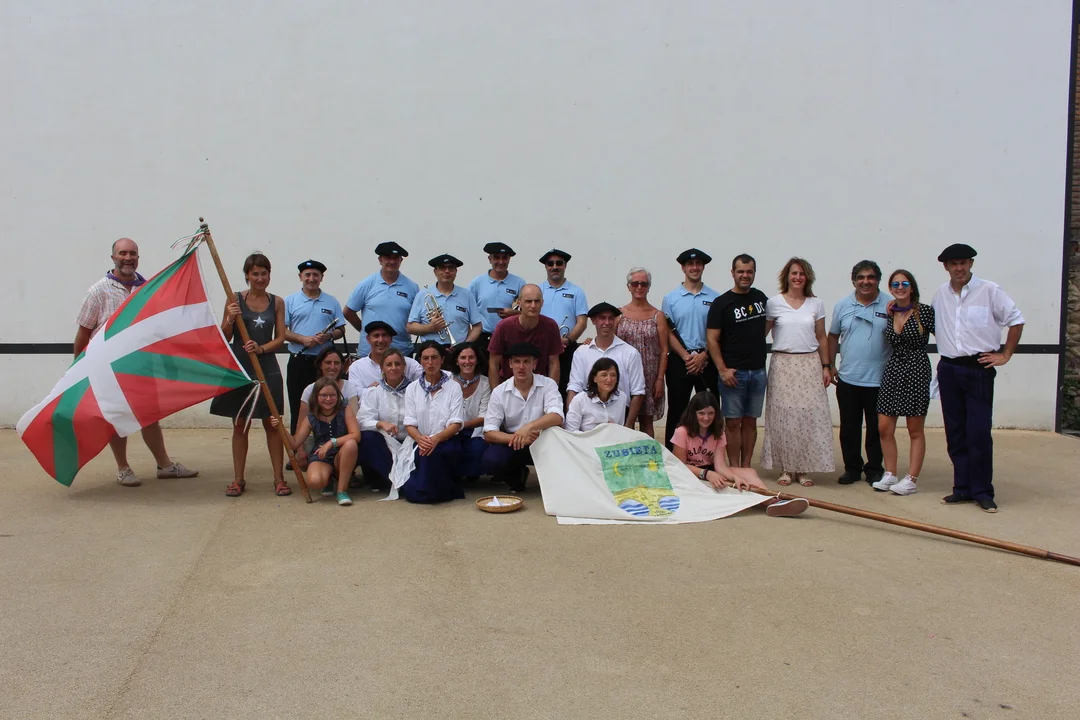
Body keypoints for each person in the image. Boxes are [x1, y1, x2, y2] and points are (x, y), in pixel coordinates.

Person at [73, 237, 198, 486]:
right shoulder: (98, 291)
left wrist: (169, 364)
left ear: (138, 258)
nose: (127, 258)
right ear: (113, 257)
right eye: (122, 253)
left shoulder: (147, 290)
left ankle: (165, 466)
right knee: (116, 417)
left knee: (149, 415)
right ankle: (123, 468)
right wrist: (78, 370)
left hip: (142, 367)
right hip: (109, 370)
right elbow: (83, 333)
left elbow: (157, 331)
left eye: (132, 253)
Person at [931, 244, 1024, 513]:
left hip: (978, 369)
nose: (959, 268)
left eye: (963, 262)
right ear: (946, 267)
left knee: (979, 432)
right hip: (949, 369)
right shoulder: (941, 294)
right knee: (955, 432)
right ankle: (962, 487)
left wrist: (1005, 354)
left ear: (971, 263)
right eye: (954, 264)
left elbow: (1016, 319)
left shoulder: (989, 290)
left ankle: (982, 491)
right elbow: (939, 325)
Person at [209, 253, 290, 498]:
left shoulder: (277, 302)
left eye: (264, 273)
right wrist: (229, 318)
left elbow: (280, 337)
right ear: (247, 275)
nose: (260, 278)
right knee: (240, 424)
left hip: (267, 367)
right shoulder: (234, 299)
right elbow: (224, 336)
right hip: (240, 368)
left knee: (272, 423)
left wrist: (261, 348)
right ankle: (238, 479)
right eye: (255, 274)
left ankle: (279, 479)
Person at [670, 392, 808, 517]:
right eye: (701, 413)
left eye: (711, 413)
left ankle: (772, 502)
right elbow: (680, 466)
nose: (706, 418)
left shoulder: (718, 432)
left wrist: (735, 478)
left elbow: (720, 466)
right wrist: (706, 474)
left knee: (749, 473)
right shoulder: (682, 431)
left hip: (710, 470)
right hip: (689, 474)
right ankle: (770, 502)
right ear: (693, 413)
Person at [761, 257, 835, 487]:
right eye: (794, 273)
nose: (798, 277)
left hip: (809, 363)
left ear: (807, 277)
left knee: (806, 416)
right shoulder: (773, 303)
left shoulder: (816, 304)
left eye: (802, 274)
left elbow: (821, 337)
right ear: (787, 276)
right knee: (783, 416)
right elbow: (761, 334)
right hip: (782, 363)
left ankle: (803, 468)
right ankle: (786, 468)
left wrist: (826, 366)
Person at [827, 260, 891, 486]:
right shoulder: (843, 305)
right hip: (849, 378)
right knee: (849, 428)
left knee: (876, 429)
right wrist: (830, 364)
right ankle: (852, 469)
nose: (866, 281)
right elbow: (833, 335)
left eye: (870, 277)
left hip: (880, 380)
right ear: (853, 280)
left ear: (878, 280)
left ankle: (874, 469)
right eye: (861, 277)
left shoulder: (890, 305)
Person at [872, 270, 935, 496]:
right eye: (896, 284)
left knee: (914, 428)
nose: (900, 287)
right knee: (884, 426)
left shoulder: (924, 312)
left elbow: (946, 335)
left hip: (917, 369)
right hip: (894, 369)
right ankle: (890, 473)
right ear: (890, 288)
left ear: (912, 287)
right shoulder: (890, 312)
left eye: (905, 283)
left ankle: (911, 479)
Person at [706, 253, 769, 468]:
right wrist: (722, 370)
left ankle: (746, 466)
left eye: (749, 271)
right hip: (733, 374)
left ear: (754, 273)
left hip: (758, 371)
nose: (745, 275)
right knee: (733, 423)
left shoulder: (761, 298)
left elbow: (765, 328)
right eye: (740, 271)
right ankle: (734, 467)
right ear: (732, 273)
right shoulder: (721, 303)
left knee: (751, 422)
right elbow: (712, 340)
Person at [482, 343, 565, 492]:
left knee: (563, 451)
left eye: (526, 361)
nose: (521, 367)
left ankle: (554, 483)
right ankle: (517, 476)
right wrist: (517, 438)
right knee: (491, 459)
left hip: (542, 439)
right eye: (517, 362)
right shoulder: (499, 392)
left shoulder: (548, 384)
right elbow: (489, 432)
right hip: (513, 442)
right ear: (510, 364)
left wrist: (528, 427)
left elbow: (557, 416)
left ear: (534, 364)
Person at [662, 248, 720, 449]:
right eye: (690, 264)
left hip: (707, 360)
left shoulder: (715, 297)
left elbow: (717, 332)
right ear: (683, 268)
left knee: (709, 409)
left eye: (698, 264)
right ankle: (673, 455)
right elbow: (668, 332)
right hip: (680, 361)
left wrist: (704, 355)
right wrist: (687, 356)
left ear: (703, 267)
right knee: (677, 410)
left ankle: (709, 455)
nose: (695, 268)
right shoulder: (670, 298)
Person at [271, 377, 360, 506]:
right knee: (315, 481)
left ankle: (342, 491)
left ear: (338, 396)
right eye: (324, 395)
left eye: (332, 395)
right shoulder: (312, 416)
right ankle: (328, 479)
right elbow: (294, 443)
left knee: (351, 444)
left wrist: (331, 443)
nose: (328, 399)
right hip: (321, 455)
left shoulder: (345, 409)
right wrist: (281, 428)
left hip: (342, 453)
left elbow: (356, 435)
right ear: (316, 396)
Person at [283, 259, 345, 434]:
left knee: (326, 405)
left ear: (321, 278)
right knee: (298, 406)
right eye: (307, 275)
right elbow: (282, 331)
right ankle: (297, 446)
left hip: (324, 364)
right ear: (300, 277)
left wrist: (328, 336)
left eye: (316, 275)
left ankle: (324, 444)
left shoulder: (331, 301)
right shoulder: (290, 301)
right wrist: (302, 339)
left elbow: (341, 330)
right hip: (299, 361)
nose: (311, 278)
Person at [400, 341, 466, 503]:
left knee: (432, 454)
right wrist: (420, 439)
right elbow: (410, 423)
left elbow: (456, 423)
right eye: (425, 358)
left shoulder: (453, 387)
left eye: (434, 358)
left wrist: (436, 439)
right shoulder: (412, 388)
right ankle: (430, 490)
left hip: (447, 440)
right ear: (420, 361)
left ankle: (429, 491)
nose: (430, 363)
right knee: (424, 453)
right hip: (420, 440)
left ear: (442, 360)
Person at [567, 302, 645, 426]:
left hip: (619, 416)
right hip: (587, 416)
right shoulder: (581, 352)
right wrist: (571, 423)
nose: (607, 323)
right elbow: (574, 388)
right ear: (593, 321)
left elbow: (638, 393)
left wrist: (628, 427)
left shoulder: (630, 353)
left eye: (611, 318)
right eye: (602, 318)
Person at [616, 267, 669, 439]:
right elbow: (608, 341)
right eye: (635, 283)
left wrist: (660, 379)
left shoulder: (657, 316)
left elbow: (664, 349)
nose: (639, 287)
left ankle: (648, 454)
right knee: (625, 421)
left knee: (647, 423)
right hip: (624, 376)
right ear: (628, 286)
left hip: (649, 377)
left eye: (644, 284)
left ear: (649, 287)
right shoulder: (619, 314)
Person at [343, 242, 419, 357]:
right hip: (369, 353)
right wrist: (367, 330)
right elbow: (348, 312)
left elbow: (417, 318)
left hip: (401, 352)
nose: (392, 261)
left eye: (396, 258)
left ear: (401, 260)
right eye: (388, 257)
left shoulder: (412, 287)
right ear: (380, 260)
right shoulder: (367, 284)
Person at [356, 348, 412, 491]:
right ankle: (388, 479)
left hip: (409, 441)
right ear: (382, 368)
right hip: (385, 444)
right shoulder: (373, 391)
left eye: (397, 364)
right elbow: (362, 420)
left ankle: (404, 481)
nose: (393, 368)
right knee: (368, 438)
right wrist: (380, 423)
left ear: (404, 366)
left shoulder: (415, 390)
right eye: (388, 364)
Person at [488, 284, 563, 386]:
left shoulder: (551, 326)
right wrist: (495, 392)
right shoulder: (503, 327)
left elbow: (554, 363)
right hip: (508, 385)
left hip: (540, 385)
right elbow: (493, 363)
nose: (533, 306)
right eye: (528, 301)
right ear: (519, 303)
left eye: (537, 301)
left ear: (542, 303)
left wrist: (552, 391)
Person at [539, 249, 588, 395]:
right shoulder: (537, 290)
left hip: (566, 349)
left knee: (567, 388)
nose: (555, 267)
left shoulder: (577, 292)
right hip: (541, 349)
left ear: (565, 265)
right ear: (546, 266)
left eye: (559, 263)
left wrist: (568, 340)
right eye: (550, 263)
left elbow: (582, 322)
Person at [406, 254, 483, 348]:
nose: (447, 271)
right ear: (435, 272)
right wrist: (430, 327)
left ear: (456, 271)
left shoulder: (467, 295)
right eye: (442, 268)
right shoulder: (422, 295)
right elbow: (410, 327)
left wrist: (465, 346)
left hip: (458, 351)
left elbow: (477, 326)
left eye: (451, 268)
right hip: (430, 351)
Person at [469, 242, 526, 350]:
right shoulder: (477, 283)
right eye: (496, 257)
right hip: (483, 338)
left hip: (510, 337)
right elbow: (468, 311)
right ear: (490, 259)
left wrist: (514, 314)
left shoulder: (519, 283)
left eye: (504, 258)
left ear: (509, 260)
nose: (500, 261)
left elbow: (528, 312)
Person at [448, 342, 491, 480]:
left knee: (478, 448)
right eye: (463, 358)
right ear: (457, 361)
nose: (467, 361)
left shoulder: (485, 383)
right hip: (449, 430)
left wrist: (460, 425)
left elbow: (484, 417)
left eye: (471, 357)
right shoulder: (447, 380)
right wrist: (453, 428)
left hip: (475, 431)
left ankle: (470, 473)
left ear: (477, 360)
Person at [347, 321, 422, 389]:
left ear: (391, 339)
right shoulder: (357, 367)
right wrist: (370, 392)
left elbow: (424, 386)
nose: (381, 340)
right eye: (376, 336)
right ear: (368, 339)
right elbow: (355, 394)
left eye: (384, 335)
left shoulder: (411, 365)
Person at [564, 358, 631, 432]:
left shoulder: (622, 398)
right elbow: (571, 431)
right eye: (604, 375)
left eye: (613, 375)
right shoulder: (580, 400)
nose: (609, 379)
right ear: (594, 378)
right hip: (586, 438)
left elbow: (620, 428)